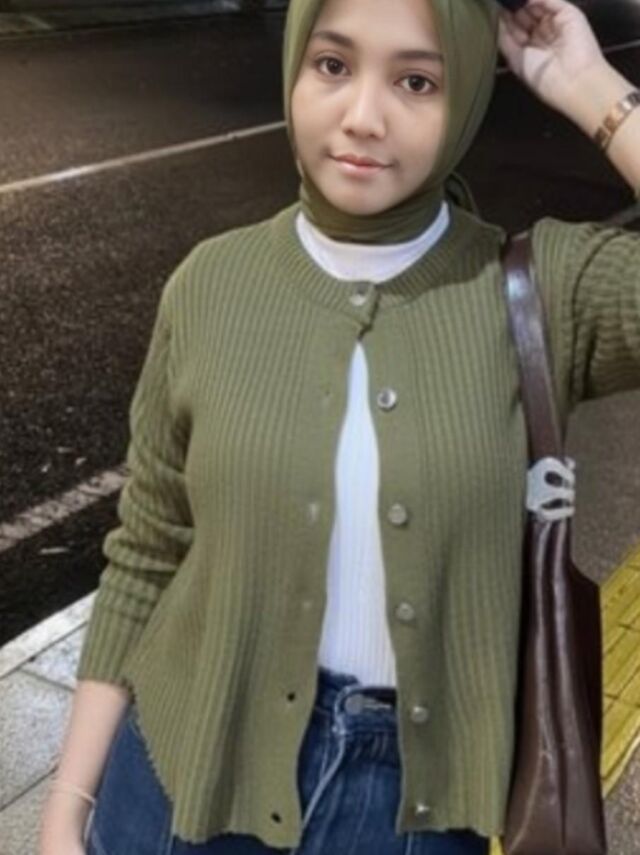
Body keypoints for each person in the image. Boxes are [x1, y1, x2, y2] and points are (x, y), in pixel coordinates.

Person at [39, 0, 640, 853]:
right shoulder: (210, 284)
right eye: (332, 65)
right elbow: (147, 551)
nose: (363, 116)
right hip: (176, 787)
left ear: (471, 92)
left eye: (417, 82)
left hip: (414, 814)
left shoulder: (546, 289)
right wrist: (67, 804)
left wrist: (590, 87)